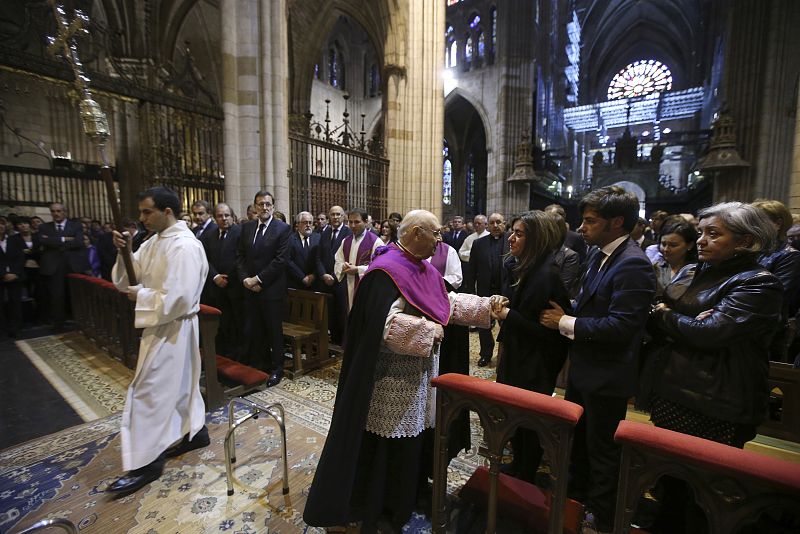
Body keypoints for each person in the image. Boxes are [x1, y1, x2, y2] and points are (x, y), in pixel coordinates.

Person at [304, 210, 504, 532]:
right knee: (392, 444)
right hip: (391, 378)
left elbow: (444, 302)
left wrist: (485, 306)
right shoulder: (386, 271)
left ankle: (409, 495)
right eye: (435, 233)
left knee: (416, 438)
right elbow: (381, 327)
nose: (439, 240)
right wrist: (428, 332)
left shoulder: (421, 267)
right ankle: (385, 506)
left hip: (420, 374)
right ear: (415, 234)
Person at [644, 202, 783, 532]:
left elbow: (709, 333)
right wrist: (677, 318)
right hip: (673, 388)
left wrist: (667, 315)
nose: (701, 240)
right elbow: (660, 313)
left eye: (713, 234)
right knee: (669, 482)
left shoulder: (758, 283)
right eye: (700, 232)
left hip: (716, 400)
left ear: (745, 241)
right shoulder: (696, 271)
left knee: (704, 492)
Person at [539, 186, 656, 533]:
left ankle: (601, 517)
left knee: (603, 450)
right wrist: (568, 308)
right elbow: (592, 303)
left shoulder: (633, 263)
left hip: (607, 374)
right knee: (580, 443)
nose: (582, 227)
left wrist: (565, 321)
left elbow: (623, 325)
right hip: (586, 367)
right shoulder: (598, 254)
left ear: (616, 222)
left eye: (590, 221)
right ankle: (575, 503)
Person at [108, 186, 210, 497]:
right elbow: (128, 278)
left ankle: (147, 463)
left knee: (149, 392)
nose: (142, 218)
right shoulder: (153, 242)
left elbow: (180, 298)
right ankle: (196, 433)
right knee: (181, 386)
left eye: (147, 212)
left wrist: (141, 296)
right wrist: (124, 252)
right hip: (162, 325)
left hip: (175, 327)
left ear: (167, 211)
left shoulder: (185, 246)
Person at [495, 211, 570, 483]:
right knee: (515, 415)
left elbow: (547, 329)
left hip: (535, 362)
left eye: (519, 233)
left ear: (536, 239)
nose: (511, 238)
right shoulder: (524, 266)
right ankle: (517, 464)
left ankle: (526, 472)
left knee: (529, 420)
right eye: (512, 232)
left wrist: (508, 315)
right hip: (519, 354)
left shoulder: (546, 274)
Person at [236, 191, 291, 386]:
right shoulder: (247, 227)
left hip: (271, 290)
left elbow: (280, 260)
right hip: (250, 289)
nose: (264, 207)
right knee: (256, 330)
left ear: (273, 207)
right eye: (260, 204)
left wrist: (258, 280)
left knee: (274, 332)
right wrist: (245, 279)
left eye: (268, 204)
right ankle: (262, 365)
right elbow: (240, 256)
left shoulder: (283, 229)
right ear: (255, 207)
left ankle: (277, 369)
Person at [751, 199, 800, 362]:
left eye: (757, 221)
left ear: (777, 224)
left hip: (767, 333)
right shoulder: (752, 251)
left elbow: (777, 296)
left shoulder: (789, 255)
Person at [200, 202, 244, 360]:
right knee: (221, 323)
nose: (224, 218)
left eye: (227, 215)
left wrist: (227, 277)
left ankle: (238, 356)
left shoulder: (241, 233)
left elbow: (241, 258)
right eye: (220, 216)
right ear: (214, 218)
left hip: (235, 287)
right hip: (216, 287)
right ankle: (222, 354)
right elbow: (204, 258)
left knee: (237, 323)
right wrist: (215, 276)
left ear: (232, 217)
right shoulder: (209, 235)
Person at [464, 212, 507, 366]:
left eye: (499, 222)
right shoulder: (479, 243)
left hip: (506, 292)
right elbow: (472, 269)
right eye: (492, 223)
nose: (495, 225)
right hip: (485, 291)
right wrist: (471, 291)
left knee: (507, 325)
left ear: (504, 224)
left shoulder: (512, 241)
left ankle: (506, 355)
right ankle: (486, 354)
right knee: (484, 325)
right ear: (488, 225)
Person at [38, 203, 88, 330]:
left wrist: (53, 240)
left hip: (73, 265)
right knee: (56, 296)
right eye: (53, 211)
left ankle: (80, 322)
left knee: (77, 295)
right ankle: (58, 324)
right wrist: (64, 239)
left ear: (65, 212)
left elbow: (79, 242)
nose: (56, 213)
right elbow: (42, 241)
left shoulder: (76, 225)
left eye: (59, 211)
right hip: (54, 266)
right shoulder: (44, 227)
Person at [334, 208, 381, 311]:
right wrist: (343, 266)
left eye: (357, 222)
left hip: (366, 288)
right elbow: (338, 261)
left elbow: (379, 267)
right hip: (348, 286)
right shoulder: (346, 241)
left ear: (366, 222)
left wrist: (358, 269)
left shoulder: (376, 242)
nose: (353, 225)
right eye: (350, 222)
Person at [319, 205, 352, 344]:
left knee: (342, 313)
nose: (335, 217)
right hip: (326, 281)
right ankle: (333, 340)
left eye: (338, 214)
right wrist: (323, 274)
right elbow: (318, 257)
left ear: (343, 216)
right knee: (330, 313)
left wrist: (333, 275)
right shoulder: (325, 232)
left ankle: (343, 343)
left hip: (341, 280)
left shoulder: (349, 233)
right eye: (332, 214)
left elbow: (348, 257)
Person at [653, 216, 698, 296]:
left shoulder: (697, 270)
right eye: (663, 244)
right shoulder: (655, 267)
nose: (666, 249)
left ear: (689, 245)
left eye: (673, 245)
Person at [0, 218, 26, 338]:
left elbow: (20, 257)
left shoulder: (14, 240)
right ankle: (2, 331)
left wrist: (14, 273)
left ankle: (16, 329)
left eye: (2, 224)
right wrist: (3, 274)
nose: (0, 226)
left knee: (15, 303)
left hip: (15, 276)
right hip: (1, 276)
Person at [287, 211, 324, 290]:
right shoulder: (290, 239)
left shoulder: (318, 238)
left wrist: (313, 275)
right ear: (298, 224)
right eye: (305, 222)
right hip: (296, 283)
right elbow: (288, 260)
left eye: (310, 222)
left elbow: (322, 258)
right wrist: (302, 277)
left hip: (315, 283)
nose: (308, 225)